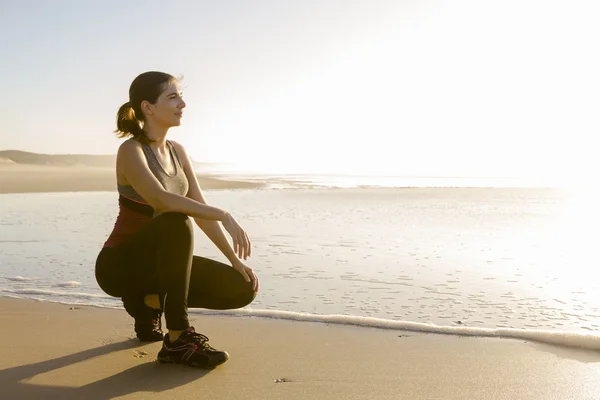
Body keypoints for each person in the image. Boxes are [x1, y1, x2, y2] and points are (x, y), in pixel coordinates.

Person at [94, 71, 259, 369]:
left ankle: (147, 304)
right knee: (176, 222)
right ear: (148, 107)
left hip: (160, 265)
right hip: (120, 265)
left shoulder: (178, 152)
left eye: (181, 96)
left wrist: (234, 259)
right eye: (173, 97)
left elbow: (200, 210)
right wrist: (224, 214)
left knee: (242, 286)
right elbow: (162, 201)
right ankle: (177, 340)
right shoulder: (131, 151)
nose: (182, 103)